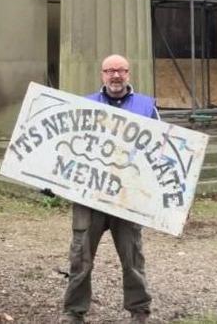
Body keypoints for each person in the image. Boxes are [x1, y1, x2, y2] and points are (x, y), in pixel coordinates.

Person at [60, 54, 157, 324]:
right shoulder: (85, 104)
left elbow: (161, 150)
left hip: (127, 198)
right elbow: (68, 144)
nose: (115, 76)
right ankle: (73, 312)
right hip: (89, 196)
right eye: (109, 70)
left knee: (132, 257)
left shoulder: (146, 106)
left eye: (121, 70)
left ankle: (139, 310)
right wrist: (52, 180)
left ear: (129, 73)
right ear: (102, 74)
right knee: (81, 256)